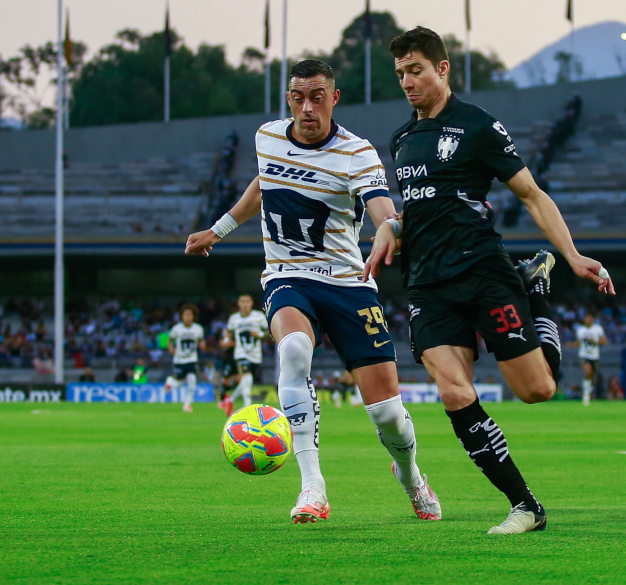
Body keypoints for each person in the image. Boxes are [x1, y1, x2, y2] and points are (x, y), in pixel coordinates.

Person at [364, 27, 614, 534]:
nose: (407, 82)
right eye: (400, 74)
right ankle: (526, 506)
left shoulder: (478, 126)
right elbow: (419, 209)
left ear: (442, 68)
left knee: (538, 390)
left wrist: (570, 254)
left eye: (415, 70)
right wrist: (391, 227)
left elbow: (531, 194)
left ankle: (536, 288)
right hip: (428, 285)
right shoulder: (403, 138)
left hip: (481, 270)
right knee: (454, 393)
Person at [185, 59, 440, 525]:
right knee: (295, 351)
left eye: (317, 97)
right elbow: (264, 185)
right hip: (287, 275)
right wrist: (219, 230)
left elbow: (381, 206)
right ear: (289, 98)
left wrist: (391, 227)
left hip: (348, 282)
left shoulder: (356, 152)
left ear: (334, 98)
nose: (306, 107)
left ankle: (410, 473)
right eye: (298, 97)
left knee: (386, 413)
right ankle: (312, 487)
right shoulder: (268, 137)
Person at [219, 294, 269, 415]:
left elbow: (269, 330)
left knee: (247, 381)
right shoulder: (234, 318)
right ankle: (248, 409)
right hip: (241, 354)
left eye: (247, 301)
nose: (245, 304)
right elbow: (228, 331)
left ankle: (230, 400)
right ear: (239, 304)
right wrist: (226, 339)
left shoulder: (258, 316)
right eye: (242, 301)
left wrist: (261, 335)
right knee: (247, 378)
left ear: (251, 303)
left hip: (256, 355)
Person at [166, 304, 206, 413]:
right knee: (179, 384)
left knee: (192, 381)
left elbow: (201, 340)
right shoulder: (176, 329)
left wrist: (203, 344)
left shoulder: (198, 328)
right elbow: (170, 340)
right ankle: (169, 381)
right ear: (182, 316)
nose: (188, 317)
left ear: (193, 316)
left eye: (190, 315)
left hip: (192, 359)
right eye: (185, 315)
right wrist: (171, 348)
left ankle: (187, 405)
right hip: (179, 360)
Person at [575, 314, 607, 406]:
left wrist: (595, 341)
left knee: (592, 376)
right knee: (588, 372)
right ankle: (585, 395)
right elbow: (578, 343)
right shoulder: (581, 330)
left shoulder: (598, 329)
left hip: (595, 356)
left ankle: (588, 393)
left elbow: (604, 341)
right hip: (584, 355)